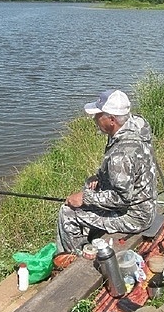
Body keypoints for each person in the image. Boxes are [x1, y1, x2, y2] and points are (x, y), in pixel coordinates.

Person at [56, 89, 158, 254]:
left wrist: (85, 198)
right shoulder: (136, 124)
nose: (95, 118)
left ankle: (76, 259)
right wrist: (101, 177)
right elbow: (128, 171)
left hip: (135, 216)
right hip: (146, 202)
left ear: (111, 119)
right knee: (90, 187)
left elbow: (121, 198)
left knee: (67, 213)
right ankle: (90, 239)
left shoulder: (121, 154)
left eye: (98, 115)